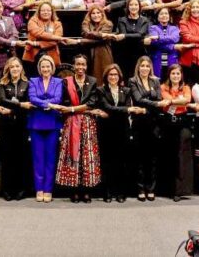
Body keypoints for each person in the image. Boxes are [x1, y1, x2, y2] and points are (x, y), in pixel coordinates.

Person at [55, 54, 101, 202]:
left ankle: (86, 191)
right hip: (71, 123)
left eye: (83, 64)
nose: (80, 67)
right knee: (72, 155)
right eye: (78, 64)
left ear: (86, 66)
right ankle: (74, 190)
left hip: (87, 123)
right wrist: (76, 109)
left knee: (87, 157)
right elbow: (65, 103)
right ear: (74, 66)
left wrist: (73, 109)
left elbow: (92, 103)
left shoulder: (92, 81)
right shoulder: (66, 81)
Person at [96, 63, 136, 202]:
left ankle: (120, 192)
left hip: (122, 130)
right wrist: (126, 110)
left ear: (119, 76)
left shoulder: (126, 90)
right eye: (110, 74)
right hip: (106, 130)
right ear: (106, 77)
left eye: (115, 74)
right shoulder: (101, 90)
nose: (113, 77)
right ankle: (107, 192)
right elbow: (107, 107)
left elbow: (115, 109)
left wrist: (122, 110)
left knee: (121, 162)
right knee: (107, 162)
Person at [28, 54, 63, 202]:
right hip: (36, 123)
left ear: (52, 67)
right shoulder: (33, 81)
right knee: (38, 158)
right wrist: (48, 104)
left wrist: (43, 103)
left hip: (53, 123)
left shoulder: (58, 81)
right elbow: (32, 98)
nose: (45, 69)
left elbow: (58, 98)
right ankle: (39, 189)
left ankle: (48, 189)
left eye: (48, 66)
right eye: (43, 67)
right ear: (39, 68)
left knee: (50, 158)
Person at [129, 56, 164, 201]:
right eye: (142, 66)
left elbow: (160, 98)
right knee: (139, 158)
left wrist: (147, 104)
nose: (145, 68)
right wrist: (153, 98)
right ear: (138, 67)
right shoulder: (132, 81)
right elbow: (137, 99)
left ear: (151, 68)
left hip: (153, 123)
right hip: (139, 123)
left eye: (147, 66)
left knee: (152, 158)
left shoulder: (155, 81)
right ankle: (140, 188)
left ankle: (151, 188)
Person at [159, 64, 194, 200]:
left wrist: (173, 101)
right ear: (169, 75)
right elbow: (166, 100)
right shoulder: (163, 87)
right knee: (169, 154)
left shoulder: (186, 87)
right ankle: (167, 189)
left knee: (181, 155)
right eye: (173, 73)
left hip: (182, 122)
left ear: (181, 75)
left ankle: (179, 190)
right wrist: (179, 101)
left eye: (178, 74)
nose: (175, 76)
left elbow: (187, 100)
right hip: (168, 122)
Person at [0, 57, 31, 201]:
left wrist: (12, 108)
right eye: (12, 67)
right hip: (6, 125)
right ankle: (7, 189)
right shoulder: (2, 84)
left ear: (21, 68)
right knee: (7, 157)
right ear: (8, 69)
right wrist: (20, 105)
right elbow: (2, 100)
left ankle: (21, 189)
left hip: (22, 125)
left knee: (21, 157)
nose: (15, 69)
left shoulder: (27, 84)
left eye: (17, 66)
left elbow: (29, 103)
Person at [24, 1, 65, 69]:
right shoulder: (33, 20)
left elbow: (56, 41)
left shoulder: (58, 24)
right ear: (39, 12)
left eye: (48, 10)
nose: (46, 12)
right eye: (43, 10)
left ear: (52, 12)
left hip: (52, 54)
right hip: (33, 54)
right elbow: (38, 33)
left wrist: (37, 43)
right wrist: (54, 37)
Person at [80, 6, 116, 83]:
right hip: (88, 53)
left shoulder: (108, 24)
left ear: (102, 14)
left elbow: (102, 39)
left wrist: (85, 39)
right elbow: (85, 33)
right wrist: (101, 35)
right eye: (93, 13)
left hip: (103, 53)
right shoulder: (85, 23)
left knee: (103, 77)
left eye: (98, 13)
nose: (96, 15)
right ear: (89, 15)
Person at [115, 0, 149, 77]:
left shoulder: (144, 20)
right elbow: (126, 39)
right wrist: (140, 39)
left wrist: (125, 35)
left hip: (140, 53)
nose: (134, 7)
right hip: (125, 54)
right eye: (131, 5)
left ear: (139, 6)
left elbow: (141, 35)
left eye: (136, 5)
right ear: (127, 7)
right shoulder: (122, 20)